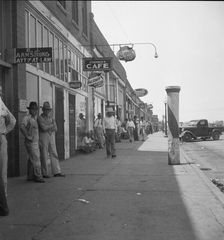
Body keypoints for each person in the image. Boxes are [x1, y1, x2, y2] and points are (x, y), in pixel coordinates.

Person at [37, 101, 65, 178]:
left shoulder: (51, 118)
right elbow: (43, 128)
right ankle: (45, 172)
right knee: (44, 154)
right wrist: (51, 125)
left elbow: (56, 128)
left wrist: (49, 126)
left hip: (51, 135)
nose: (47, 111)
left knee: (54, 152)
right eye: (46, 109)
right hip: (43, 137)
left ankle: (57, 171)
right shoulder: (40, 118)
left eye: (48, 110)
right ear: (43, 110)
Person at [0, 90, 16, 216]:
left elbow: (13, 120)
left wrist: (4, 132)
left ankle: (3, 201)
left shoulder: (1, 104)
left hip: (0, 139)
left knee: (2, 172)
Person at [20, 102, 45, 183]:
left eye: (36, 109)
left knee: (31, 159)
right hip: (31, 142)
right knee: (36, 158)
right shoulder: (27, 118)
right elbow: (22, 126)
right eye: (33, 109)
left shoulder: (35, 118)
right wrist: (27, 136)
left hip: (34, 141)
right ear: (30, 110)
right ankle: (38, 176)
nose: (35, 111)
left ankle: (30, 176)